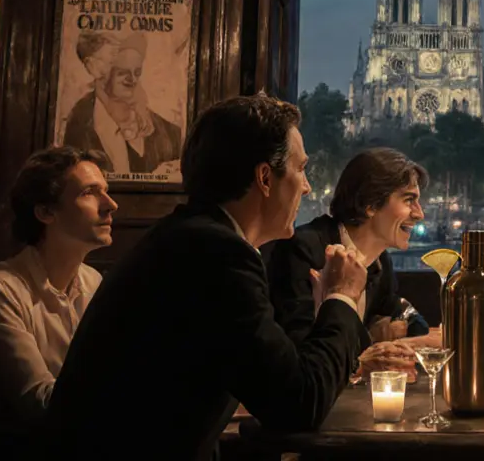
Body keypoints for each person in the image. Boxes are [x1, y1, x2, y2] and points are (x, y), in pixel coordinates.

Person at [43, 94, 370, 461]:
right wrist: (341, 298)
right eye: (301, 169)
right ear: (265, 177)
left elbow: (274, 376)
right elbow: (297, 404)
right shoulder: (216, 253)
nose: (307, 187)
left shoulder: (194, 238)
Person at [0, 148, 115, 426]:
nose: (110, 204)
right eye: (89, 192)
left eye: (105, 190)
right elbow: (41, 404)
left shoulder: (93, 281)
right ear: (45, 211)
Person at [268, 147, 436, 346]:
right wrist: (369, 338)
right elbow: (298, 346)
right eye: (409, 200)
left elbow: (400, 311)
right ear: (370, 204)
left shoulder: (380, 262)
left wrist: (402, 325)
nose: (419, 214)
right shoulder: (305, 250)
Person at [61, 30, 183, 175]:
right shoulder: (76, 126)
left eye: (137, 72)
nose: (132, 80)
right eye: (121, 71)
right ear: (92, 68)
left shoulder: (169, 134)